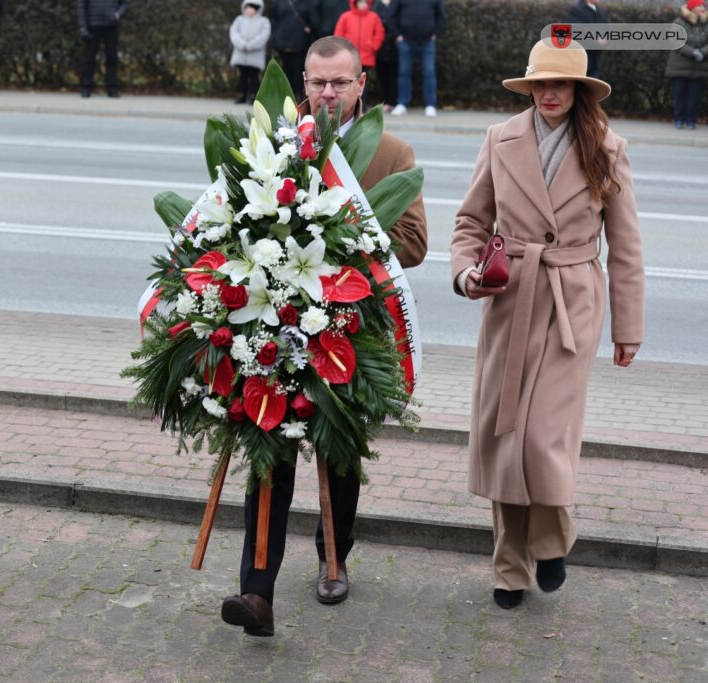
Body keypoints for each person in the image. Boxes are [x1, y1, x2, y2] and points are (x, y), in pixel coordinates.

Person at [220, 35, 427, 637]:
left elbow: (412, 244)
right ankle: (256, 589)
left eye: (340, 83)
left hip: (351, 329)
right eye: (317, 82)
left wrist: (337, 246)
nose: (327, 94)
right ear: (302, 84)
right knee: (268, 450)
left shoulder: (390, 151)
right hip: (274, 326)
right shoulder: (271, 142)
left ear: (362, 84)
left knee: (339, 453)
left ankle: (334, 557)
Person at [450, 41, 644, 610]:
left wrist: (627, 327)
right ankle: (509, 569)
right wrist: (467, 275)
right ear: (529, 87)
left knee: (541, 439)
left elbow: (627, 247)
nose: (550, 93)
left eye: (561, 84)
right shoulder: (500, 138)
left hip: (571, 301)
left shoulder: (608, 148)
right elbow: (470, 222)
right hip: (510, 298)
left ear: (581, 90)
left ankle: (551, 539)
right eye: (541, 84)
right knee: (507, 439)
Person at [389, 0, 445, 117]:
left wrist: (436, 33)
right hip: (405, 41)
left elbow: (441, 15)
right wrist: (397, 34)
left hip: (427, 41)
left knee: (429, 73)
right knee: (404, 73)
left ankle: (430, 105)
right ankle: (402, 104)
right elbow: (392, 15)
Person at [665, 0, 708, 130]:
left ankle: (691, 121)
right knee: (680, 96)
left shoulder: (706, 23)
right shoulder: (679, 22)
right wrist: (692, 52)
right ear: (692, 8)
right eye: (699, 5)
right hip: (680, 66)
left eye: (703, 5)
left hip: (699, 67)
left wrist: (703, 52)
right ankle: (679, 120)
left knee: (693, 97)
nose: (702, 7)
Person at [333, 0, 385, 106]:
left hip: (366, 57)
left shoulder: (373, 17)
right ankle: (349, 105)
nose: (362, 5)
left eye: (364, 2)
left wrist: (373, 46)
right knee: (349, 82)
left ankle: (362, 105)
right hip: (349, 57)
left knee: (362, 83)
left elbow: (379, 33)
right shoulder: (346, 16)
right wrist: (344, 50)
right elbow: (338, 34)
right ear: (355, 3)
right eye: (360, 2)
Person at [77, 0, 127, 98]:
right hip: (93, 25)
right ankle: (86, 88)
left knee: (112, 57)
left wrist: (118, 14)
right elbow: (81, 5)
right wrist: (83, 26)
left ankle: (112, 89)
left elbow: (124, 3)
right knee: (89, 58)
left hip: (111, 25)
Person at [270, 0, 318, 101]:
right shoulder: (279, 3)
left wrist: (311, 27)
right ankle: (285, 96)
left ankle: (298, 95)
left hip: (300, 41)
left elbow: (314, 18)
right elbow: (274, 19)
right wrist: (275, 36)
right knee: (285, 69)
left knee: (298, 70)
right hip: (283, 40)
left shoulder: (307, 3)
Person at [229, 0, 270, 104]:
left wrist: (251, 45)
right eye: (247, 7)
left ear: (257, 9)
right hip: (241, 54)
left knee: (254, 76)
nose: (249, 10)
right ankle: (241, 95)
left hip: (255, 55)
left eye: (252, 8)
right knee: (242, 75)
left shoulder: (263, 21)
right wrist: (242, 44)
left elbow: (263, 36)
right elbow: (234, 33)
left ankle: (253, 96)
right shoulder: (239, 20)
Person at [566, 0, 607, 79]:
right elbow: (576, 30)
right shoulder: (576, 10)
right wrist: (596, 38)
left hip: (595, 61)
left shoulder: (601, 12)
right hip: (579, 59)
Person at [372, 0, 398, 111]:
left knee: (395, 76)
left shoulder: (397, 3)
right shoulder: (376, 5)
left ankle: (395, 102)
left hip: (395, 45)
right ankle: (386, 101)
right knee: (383, 77)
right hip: (380, 47)